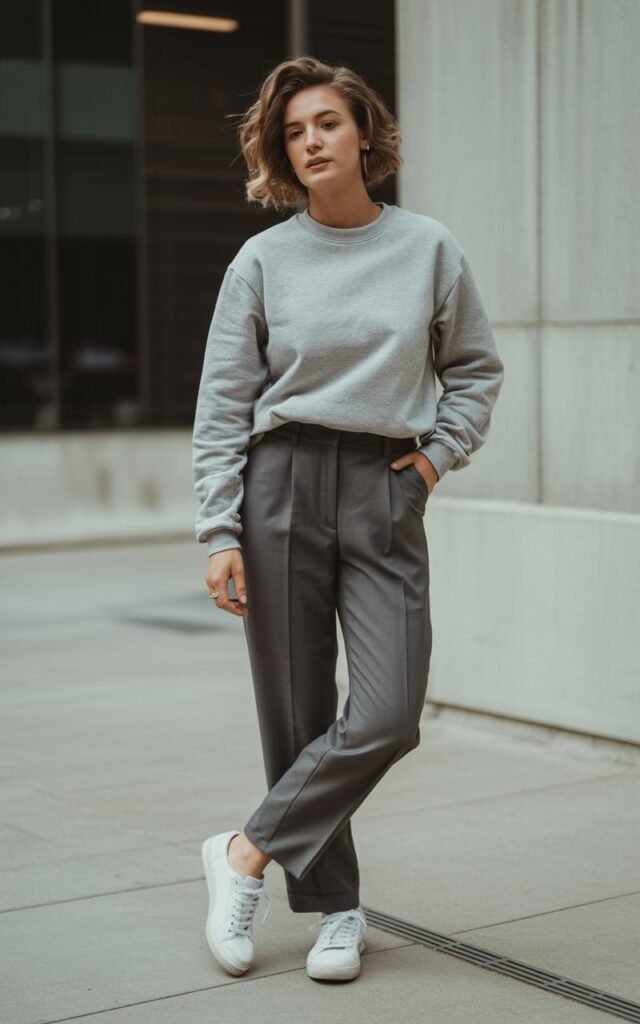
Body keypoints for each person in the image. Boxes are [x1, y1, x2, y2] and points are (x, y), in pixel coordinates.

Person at [192, 56, 504, 984]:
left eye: (326, 122)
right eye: (294, 131)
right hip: (279, 484)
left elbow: (477, 370)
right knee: (296, 713)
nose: (311, 140)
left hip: (384, 485)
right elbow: (222, 402)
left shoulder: (428, 248)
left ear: (364, 132)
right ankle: (337, 908)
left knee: (388, 712)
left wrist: (435, 461)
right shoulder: (263, 259)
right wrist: (218, 530)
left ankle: (244, 851)